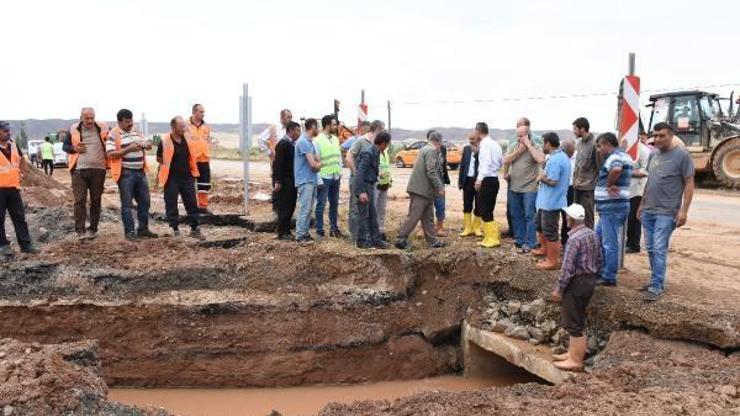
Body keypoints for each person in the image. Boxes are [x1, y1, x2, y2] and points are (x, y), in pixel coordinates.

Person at [637, 122, 695, 301]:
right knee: (651, 249)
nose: (658, 139)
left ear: (671, 135)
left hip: (667, 211)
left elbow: (689, 184)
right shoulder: (654, 154)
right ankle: (657, 280)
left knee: (659, 248)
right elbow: (650, 182)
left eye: (662, 135)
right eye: (656, 135)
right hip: (648, 210)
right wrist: (641, 205)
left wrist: (683, 211)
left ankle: (656, 286)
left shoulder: (682, 156)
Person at [551, 203, 602, 372]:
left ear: (569, 219)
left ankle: (575, 360)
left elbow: (567, 269)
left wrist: (559, 289)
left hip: (577, 282)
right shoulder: (591, 234)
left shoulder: (573, 239)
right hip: (589, 280)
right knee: (578, 318)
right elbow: (600, 258)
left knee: (574, 323)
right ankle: (572, 353)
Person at [107, 109, 156, 241]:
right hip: (125, 174)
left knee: (145, 202)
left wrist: (147, 145)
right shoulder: (113, 134)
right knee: (127, 204)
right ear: (120, 122)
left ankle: (143, 229)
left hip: (140, 172)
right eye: (127, 122)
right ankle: (129, 232)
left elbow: (146, 144)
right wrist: (129, 149)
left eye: (131, 121)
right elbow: (110, 154)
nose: (130, 124)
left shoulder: (137, 131)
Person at [394, 132, 446, 250]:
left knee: (428, 217)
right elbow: (431, 171)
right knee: (414, 215)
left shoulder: (424, 149)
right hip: (421, 190)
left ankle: (432, 241)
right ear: (439, 141)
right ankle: (401, 239)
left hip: (425, 191)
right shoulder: (431, 150)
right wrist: (440, 186)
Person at [594, 132, 633, 286]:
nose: (598, 150)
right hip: (610, 208)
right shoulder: (625, 156)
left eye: (599, 146)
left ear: (608, 145)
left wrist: (609, 185)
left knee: (609, 243)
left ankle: (609, 276)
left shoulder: (615, 157)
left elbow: (616, 170)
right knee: (598, 239)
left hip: (612, 207)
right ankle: (601, 270)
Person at [63, 107, 109, 240]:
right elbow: (65, 146)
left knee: (96, 200)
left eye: (92, 118)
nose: (90, 120)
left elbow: (112, 141)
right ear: (81, 117)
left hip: (98, 170)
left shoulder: (104, 127)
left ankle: (93, 229)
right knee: (79, 201)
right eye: (87, 118)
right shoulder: (73, 129)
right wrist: (74, 148)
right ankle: (80, 231)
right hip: (79, 171)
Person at [156, 116, 204, 240]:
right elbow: (159, 159)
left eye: (185, 125)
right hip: (171, 179)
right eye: (181, 126)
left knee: (192, 204)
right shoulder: (165, 141)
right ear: (173, 127)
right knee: (171, 204)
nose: (185, 128)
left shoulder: (187, 139)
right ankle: (175, 229)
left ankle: (195, 229)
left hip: (187, 177)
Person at [504, 119, 544, 253]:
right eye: (518, 135)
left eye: (522, 136)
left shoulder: (535, 146)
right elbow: (506, 160)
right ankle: (520, 240)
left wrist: (528, 146)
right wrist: (519, 152)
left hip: (529, 188)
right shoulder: (514, 146)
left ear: (528, 134)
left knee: (529, 215)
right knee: (516, 214)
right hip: (514, 187)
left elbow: (540, 159)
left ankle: (530, 242)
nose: (519, 138)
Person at [0, 121, 39, 257]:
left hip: (14, 188)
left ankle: (25, 244)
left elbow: (21, 160)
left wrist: (21, 173)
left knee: (19, 217)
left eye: (8, 130)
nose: (8, 132)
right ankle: (3, 245)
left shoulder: (14, 146)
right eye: (5, 130)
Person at [533, 132, 570, 270]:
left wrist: (541, 178)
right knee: (540, 225)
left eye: (543, 143)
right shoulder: (557, 157)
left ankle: (552, 261)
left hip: (551, 202)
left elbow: (553, 181)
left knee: (550, 231)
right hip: (546, 201)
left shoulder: (556, 159)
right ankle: (544, 250)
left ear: (548, 143)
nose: (543, 146)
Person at [347, 120, 385, 241]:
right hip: (358, 181)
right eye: (382, 131)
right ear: (377, 129)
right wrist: (356, 174)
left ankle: (366, 236)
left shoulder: (376, 144)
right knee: (355, 209)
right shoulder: (360, 141)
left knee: (369, 209)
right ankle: (355, 237)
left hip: (369, 182)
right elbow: (348, 157)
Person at [355, 132, 392, 249]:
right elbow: (360, 173)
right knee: (364, 215)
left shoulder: (375, 152)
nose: (387, 146)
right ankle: (362, 241)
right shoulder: (368, 152)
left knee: (373, 214)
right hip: (364, 186)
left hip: (370, 185)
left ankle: (376, 240)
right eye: (388, 144)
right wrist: (361, 192)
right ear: (384, 143)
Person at [314, 115, 344, 238]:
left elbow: (338, 157)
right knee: (321, 204)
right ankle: (320, 231)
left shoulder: (336, 139)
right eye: (334, 124)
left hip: (336, 177)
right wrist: (318, 178)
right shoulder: (317, 140)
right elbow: (316, 161)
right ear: (327, 125)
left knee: (334, 204)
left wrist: (340, 172)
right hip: (324, 177)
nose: (336, 126)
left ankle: (334, 229)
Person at [475, 122, 504, 248]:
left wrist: (479, 179)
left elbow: (485, 162)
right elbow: (501, 162)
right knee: (488, 209)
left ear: (478, 131)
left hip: (487, 179)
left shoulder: (485, 144)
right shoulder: (495, 144)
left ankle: (492, 239)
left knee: (484, 209)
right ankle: (489, 237)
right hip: (494, 179)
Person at [259, 109, 293, 215]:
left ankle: (285, 210)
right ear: (282, 118)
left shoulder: (293, 129)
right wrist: (270, 153)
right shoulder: (274, 129)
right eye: (288, 117)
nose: (290, 119)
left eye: (291, 117)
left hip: (290, 163)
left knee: (288, 187)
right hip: (277, 162)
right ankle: (276, 210)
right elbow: (260, 140)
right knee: (277, 185)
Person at [294, 118, 321, 243]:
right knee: (304, 209)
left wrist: (318, 163)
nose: (319, 129)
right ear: (313, 127)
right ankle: (300, 235)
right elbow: (313, 165)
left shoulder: (310, 142)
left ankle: (305, 232)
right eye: (318, 127)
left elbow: (317, 160)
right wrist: (319, 164)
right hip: (305, 181)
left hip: (311, 179)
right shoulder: (304, 142)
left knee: (309, 209)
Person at [272, 121, 301, 240]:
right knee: (285, 207)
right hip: (285, 181)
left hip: (292, 180)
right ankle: (282, 232)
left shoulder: (292, 144)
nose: (299, 133)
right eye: (297, 131)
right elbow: (278, 165)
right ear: (290, 131)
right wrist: (278, 181)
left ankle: (286, 230)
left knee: (291, 205)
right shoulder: (283, 144)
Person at [571, 117, 601, 229]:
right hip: (577, 186)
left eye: (575, 128)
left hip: (588, 188)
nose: (573, 131)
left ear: (582, 129)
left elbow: (600, 167)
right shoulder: (579, 144)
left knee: (587, 217)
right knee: (576, 216)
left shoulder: (595, 144)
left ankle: (589, 243)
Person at [625, 136, 651, 253]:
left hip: (638, 189)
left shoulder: (645, 151)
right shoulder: (625, 149)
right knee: (626, 217)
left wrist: (629, 172)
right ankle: (628, 242)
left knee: (634, 218)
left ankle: (634, 245)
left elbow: (646, 171)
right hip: (626, 190)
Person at [187, 104, 213, 214]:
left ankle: (203, 207)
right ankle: (191, 208)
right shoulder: (185, 126)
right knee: (189, 185)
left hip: (204, 159)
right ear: (194, 112)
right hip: (191, 160)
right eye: (201, 112)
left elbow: (207, 140)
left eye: (203, 112)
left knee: (204, 184)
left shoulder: (206, 126)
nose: (203, 114)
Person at [458, 131, 482, 237]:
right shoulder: (467, 149)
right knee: (467, 204)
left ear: (478, 138)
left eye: (473, 139)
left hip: (478, 181)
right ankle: (467, 228)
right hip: (467, 181)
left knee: (479, 204)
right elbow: (462, 165)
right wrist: (460, 181)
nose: (471, 141)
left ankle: (476, 228)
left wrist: (477, 152)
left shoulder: (483, 150)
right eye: (470, 139)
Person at [429, 130, 450, 237]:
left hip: (440, 181)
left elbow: (443, 166)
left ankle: (439, 227)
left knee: (440, 205)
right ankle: (427, 228)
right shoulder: (426, 150)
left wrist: (444, 180)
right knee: (427, 206)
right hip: (428, 182)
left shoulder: (443, 149)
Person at [375, 135, 393, 242]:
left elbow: (386, 167)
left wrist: (389, 180)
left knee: (382, 210)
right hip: (376, 185)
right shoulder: (374, 152)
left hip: (384, 185)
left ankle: (381, 231)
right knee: (374, 209)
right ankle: (373, 232)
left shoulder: (385, 152)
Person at [560, 139, 576, 245]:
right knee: (562, 215)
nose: (571, 153)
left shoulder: (577, 157)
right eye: (569, 152)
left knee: (570, 215)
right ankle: (563, 240)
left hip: (572, 189)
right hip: (561, 189)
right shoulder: (559, 158)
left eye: (573, 151)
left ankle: (569, 240)